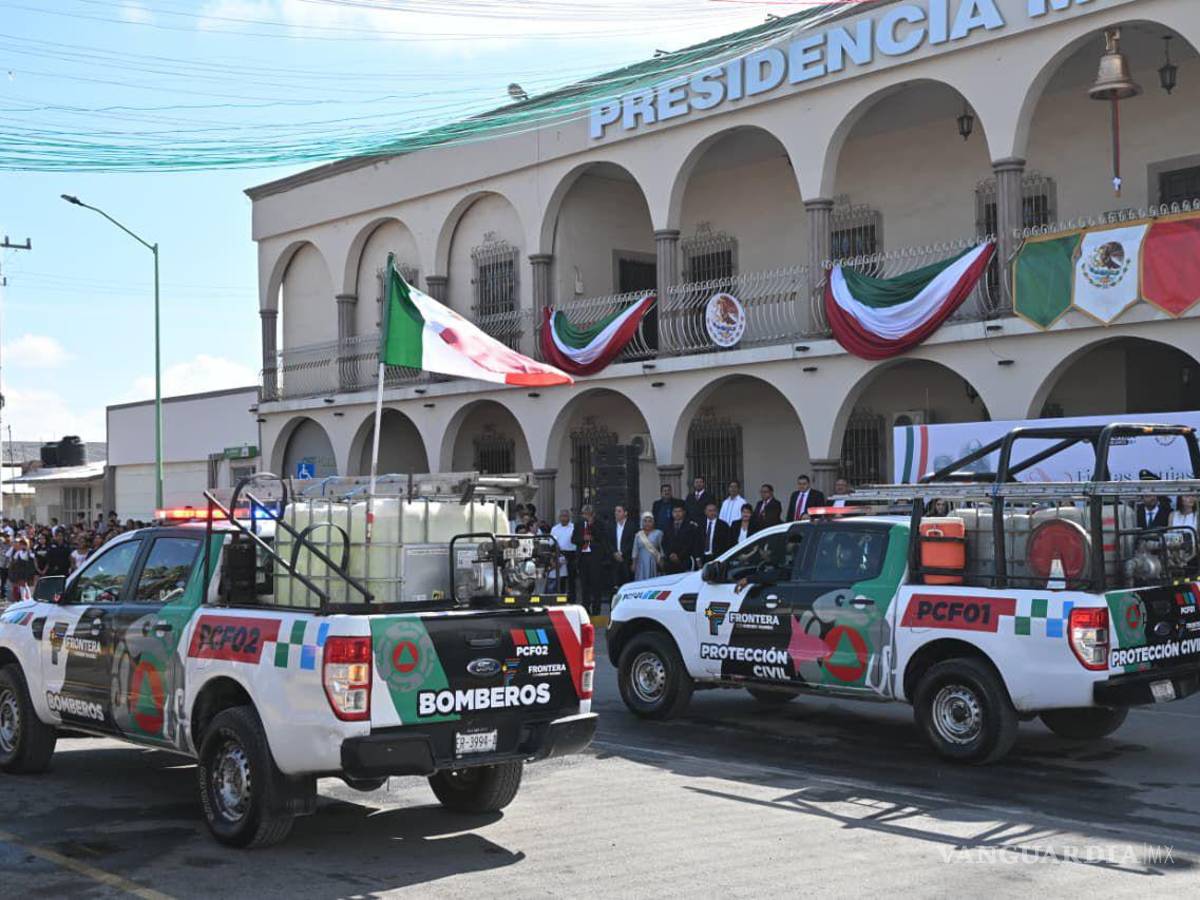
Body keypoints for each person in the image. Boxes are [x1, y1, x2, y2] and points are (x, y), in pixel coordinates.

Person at [573, 505, 609, 615]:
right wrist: (582, 539)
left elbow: (602, 538)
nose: (586, 517)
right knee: (585, 586)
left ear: (593, 514)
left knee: (596, 585)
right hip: (583, 557)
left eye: (588, 515)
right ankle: (585, 609)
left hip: (595, 558)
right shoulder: (578, 524)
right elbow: (573, 539)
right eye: (584, 514)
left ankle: (596, 610)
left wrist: (591, 525)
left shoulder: (600, 523)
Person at [662, 505, 700, 574]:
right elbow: (664, 543)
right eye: (675, 511)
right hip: (670, 561)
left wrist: (679, 556)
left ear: (684, 512)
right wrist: (670, 554)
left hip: (684, 560)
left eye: (679, 511)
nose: (677, 514)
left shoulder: (690, 526)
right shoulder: (667, 526)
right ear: (672, 513)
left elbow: (690, 544)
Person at [608, 504, 636, 589]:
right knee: (614, 586)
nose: (616, 513)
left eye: (619, 511)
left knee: (627, 585)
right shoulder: (611, 525)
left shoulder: (632, 526)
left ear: (625, 513)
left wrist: (622, 553)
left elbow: (632, 542)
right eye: (615, 511)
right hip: (614, 560)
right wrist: (615, 553)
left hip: (626, 559)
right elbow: (608, 541)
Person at [550, 508, 576, 593]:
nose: (564, 518)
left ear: (569, 517)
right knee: (560, 578)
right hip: (559, 554)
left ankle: (571, 597)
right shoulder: (555, 529)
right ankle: (560, 596)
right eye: (562, 516)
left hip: (571, 555)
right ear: (559, 517)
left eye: (565, 516)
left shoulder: (573, 527)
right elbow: (551, 543)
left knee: (571, 578)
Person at [631, 512, 663, 581]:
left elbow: (661, 548)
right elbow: (635, 549)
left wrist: (661, 560)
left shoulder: (658, 533)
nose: (647, 523)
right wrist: (634, 563)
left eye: (649, 521)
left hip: (653, 560)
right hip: (641, 561)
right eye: (645, 521)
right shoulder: (638, 535)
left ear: (653, 522)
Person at [9, 537, 36, 602]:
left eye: (24, 544)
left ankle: (26, 598)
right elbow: (14, 559)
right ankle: (25, 598)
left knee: (24, 584)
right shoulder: (19, 552)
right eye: (21, 544)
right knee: (22, 585)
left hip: (26, 571)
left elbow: (34, 557)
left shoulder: (29, 552)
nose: (22, 546)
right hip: (19, 571)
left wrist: (28, 551)